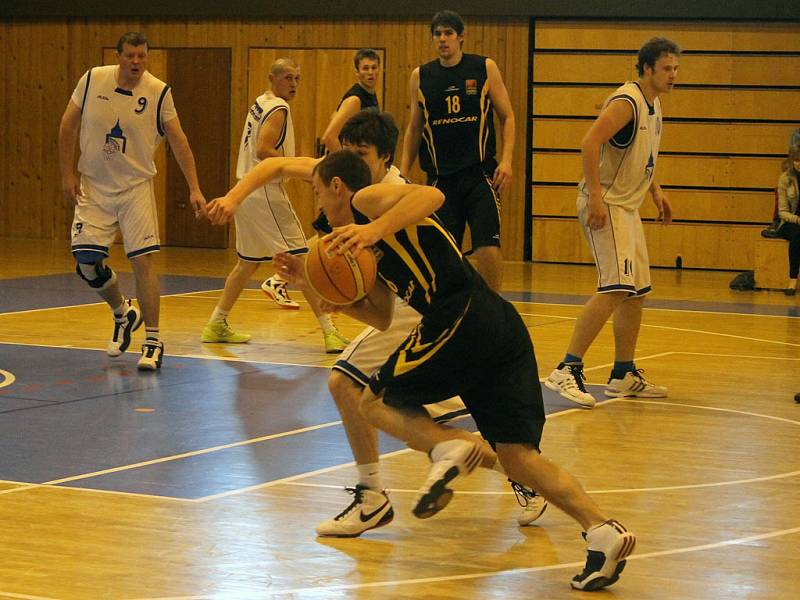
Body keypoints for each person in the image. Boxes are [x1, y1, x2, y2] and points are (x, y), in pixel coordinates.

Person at [271, 150, 636, 591]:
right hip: (499, 325)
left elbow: (430, 195)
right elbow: (384, 316)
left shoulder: (369, 200)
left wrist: (374, 229)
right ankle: (601, 530)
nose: (318, 207)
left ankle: (448, 448)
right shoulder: (366, 249)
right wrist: (317, 286)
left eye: (316, 192)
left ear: (336, 187)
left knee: (372, 398)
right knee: (518, 457)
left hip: (458, 313)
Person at [209, 110, 547, 536]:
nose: (353, 159)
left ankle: (375, 496)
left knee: (352, 387)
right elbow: (274, 165)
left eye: (363, 153)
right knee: (397, 405)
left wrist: (350, 250)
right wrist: (235, 199)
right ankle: (516, 475)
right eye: (348, 151)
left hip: (427, 305)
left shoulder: (392, 190)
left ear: (385, 159)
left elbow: (425, 208)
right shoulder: (340, 176)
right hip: (411, 307)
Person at [544, 37, 679, 408]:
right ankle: (566, 369)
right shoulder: (627, 102)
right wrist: (597, 197)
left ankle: (622, 373)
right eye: (667, 68)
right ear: (647, 68)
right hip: (607, 203)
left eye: (676, 68)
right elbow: (589, 143)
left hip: (628, 206)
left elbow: (643, 158)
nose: (673, 75)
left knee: (636, 291)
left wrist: (656, 191)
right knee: (616, 286)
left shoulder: (655, 106)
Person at [58, 32, 205, 371]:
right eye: (131, 56)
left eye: (142, 56)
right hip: (94, 185)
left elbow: (179, 143)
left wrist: (194, 188)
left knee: (143, 262)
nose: (137, 62)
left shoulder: (158, 92)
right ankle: (123, 313)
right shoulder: (93, 78)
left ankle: (153, 341)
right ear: (118, 56)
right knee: (86, 263)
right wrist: (67, 173)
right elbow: (67, 125)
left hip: (135, 187)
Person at [201, 58, 349, 353]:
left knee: (247, 263)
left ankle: (216, 322)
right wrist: (300, 167)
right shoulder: (279, 109)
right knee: (303, 260)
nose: (293, 84)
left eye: (297, 78)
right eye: (287, 78)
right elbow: (263, 150)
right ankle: (330, 332)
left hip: (246, 188)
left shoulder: (261, 102)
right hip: (264, 190)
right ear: (272, 78)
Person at [399, 10, 514, 292]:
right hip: (440, 180)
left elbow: (507, 116)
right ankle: (454, 308)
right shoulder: (421, 76)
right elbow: (414, 128)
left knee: (487, 246)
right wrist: (402, 172)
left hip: (480, 175)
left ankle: (492, 307)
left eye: (448, 33)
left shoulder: (483, 68)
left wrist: (508, 160)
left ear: (461, 37)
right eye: (437, 34)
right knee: (443, 252)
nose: (443, 39)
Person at [319, 49, 381, 154]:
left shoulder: (370, 94)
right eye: (365, 68)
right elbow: (329, 137)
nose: (370, 72)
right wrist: (347, 164)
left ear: (380, 69)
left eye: (374, 67)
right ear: (357, 72)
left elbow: (334, 115)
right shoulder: (354, 99)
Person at [776, 146, 800, 296]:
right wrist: (797, 219)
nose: (799, 164)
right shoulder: (785, 178)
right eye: (797, 160)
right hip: (791, 222)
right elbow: (782, 212)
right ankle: (793, 279)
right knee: (797, 235)